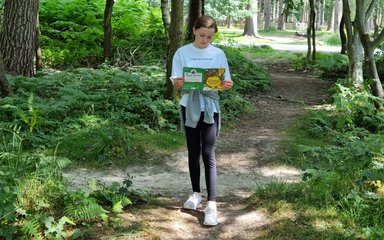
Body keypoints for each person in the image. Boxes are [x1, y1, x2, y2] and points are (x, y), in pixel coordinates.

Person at [170, 15, 233, 226]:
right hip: (189, 105)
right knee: (193, 151)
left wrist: (227, 85)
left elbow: (226, 80)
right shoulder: (182, 52)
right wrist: (178, 83)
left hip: (210, 107)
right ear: (194, 31)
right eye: (202, 35)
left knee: (208, 152)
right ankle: (195, 193)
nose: (205, 40)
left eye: (210, 36)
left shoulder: (218, 53)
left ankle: (212, 204)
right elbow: (176, 83)